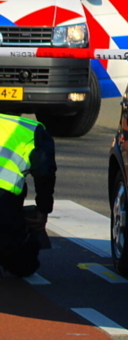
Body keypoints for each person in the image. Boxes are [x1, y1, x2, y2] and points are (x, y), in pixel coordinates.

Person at [0, 113, 56, 277]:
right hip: (3, 199)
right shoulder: (31, 130)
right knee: (23, 264)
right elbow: (45, 173)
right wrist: (43, 210)